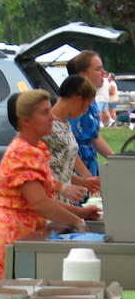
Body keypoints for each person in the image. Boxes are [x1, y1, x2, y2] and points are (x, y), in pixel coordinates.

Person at [0, 89, 101, 281]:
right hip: (10, 238)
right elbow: (39, 204)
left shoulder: (35, 149)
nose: (52, 117)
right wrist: (77, 222)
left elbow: (46, 200)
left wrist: (81, 213)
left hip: (24, 235)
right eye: (44, 113)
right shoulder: (23, 153)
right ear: (26, 121)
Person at [43, 74, 101, 204]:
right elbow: (46, 173)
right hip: (51, 200)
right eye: (85, 106)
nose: (84, 111)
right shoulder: (47, 128)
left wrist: (86, 180)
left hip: (63, 199)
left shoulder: (65, 123)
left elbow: (66, 161)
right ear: (77, 100)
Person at [67, 50, 114, 177]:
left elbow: (94, 137)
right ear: (83, 75)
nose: (104, 73)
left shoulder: (91, 100)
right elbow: (68, 146)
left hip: (89, 166)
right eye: (98, 69)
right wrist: (86, 177)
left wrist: (117, 161)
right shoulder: (73, 102)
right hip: (74, 171)